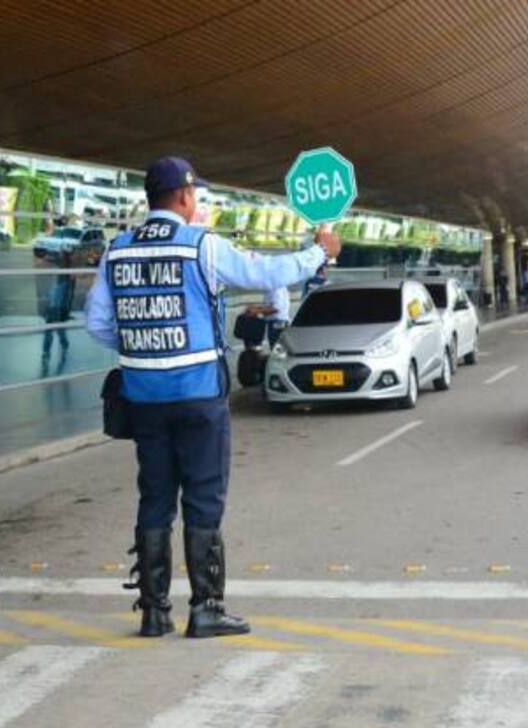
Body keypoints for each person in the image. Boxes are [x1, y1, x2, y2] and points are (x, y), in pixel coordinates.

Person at [86, 156, 340, 639]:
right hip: (198, 393)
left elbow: (97, 323)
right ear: (183, 197)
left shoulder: (116, 250)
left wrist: (144, 346)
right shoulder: (200, 245)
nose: (196, 201)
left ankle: (154, 612)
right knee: (203, 497)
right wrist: (317, 253)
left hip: (143, 398)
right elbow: (263, 273)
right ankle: (206, 608)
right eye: (194, 194)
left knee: (155, 497)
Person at [41, 249, 75, 376]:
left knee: (54, 330)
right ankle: (48, 351)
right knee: (52, 330)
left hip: (58, 308)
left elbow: (67, 297)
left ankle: (53, 349)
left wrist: (65, 310)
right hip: (55, 308)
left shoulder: (65, 279)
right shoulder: (60, 278)